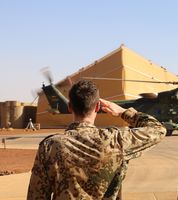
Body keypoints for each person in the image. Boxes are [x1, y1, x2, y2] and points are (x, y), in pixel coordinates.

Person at [27, 80, 166, 200]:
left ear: (70, 107)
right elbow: (158, 130)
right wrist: (123, 113)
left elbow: (36, 195)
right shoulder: (115, 140)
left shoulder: (50, 146)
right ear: (98, 107)